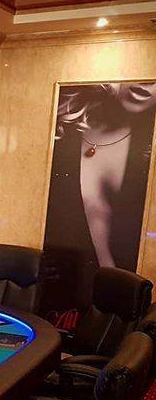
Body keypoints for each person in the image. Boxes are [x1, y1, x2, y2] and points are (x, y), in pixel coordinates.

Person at [43, 82, 156, 314]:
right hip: (59, 299)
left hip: (117, 309)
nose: (146, 83)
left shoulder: (147, 154)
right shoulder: (62, 130)